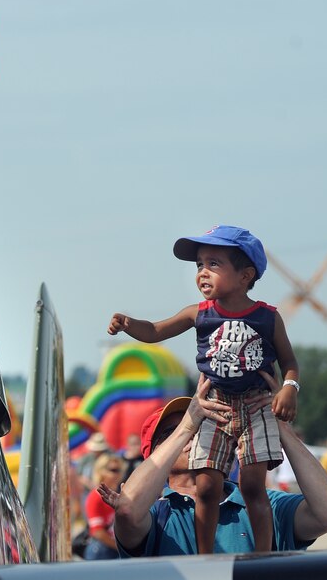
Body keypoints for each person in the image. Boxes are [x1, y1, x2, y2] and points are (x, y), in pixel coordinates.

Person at [107, 225, 300, 554]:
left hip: (256, 407)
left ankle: (266, 556)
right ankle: (206, 556)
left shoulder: (268, 318)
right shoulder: (199, 314)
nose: (202, 273)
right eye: (199, 265)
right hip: (215, 407)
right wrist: (129, 324)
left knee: (252, 485)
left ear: (245, 275)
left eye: (213, 264)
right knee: (207, 485)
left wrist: (289, 388)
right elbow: (155, 330)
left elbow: (289, 361)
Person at [99, 380, 327, 556]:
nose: (195, 433)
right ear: (156, 454)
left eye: (202, 424)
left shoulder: (261, 504)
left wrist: (275, 423)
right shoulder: (158, 516)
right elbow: (128, 511)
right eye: (170, 433)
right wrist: (186, 425)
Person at [83, 453, 127, 559]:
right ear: (101, 472)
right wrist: (121, 548)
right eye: (113, 470)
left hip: (113, 549)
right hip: (102, 551)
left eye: (119, 470)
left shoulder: (120, 494)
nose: (118, 474)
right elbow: (97, 532)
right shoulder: (95, 496)